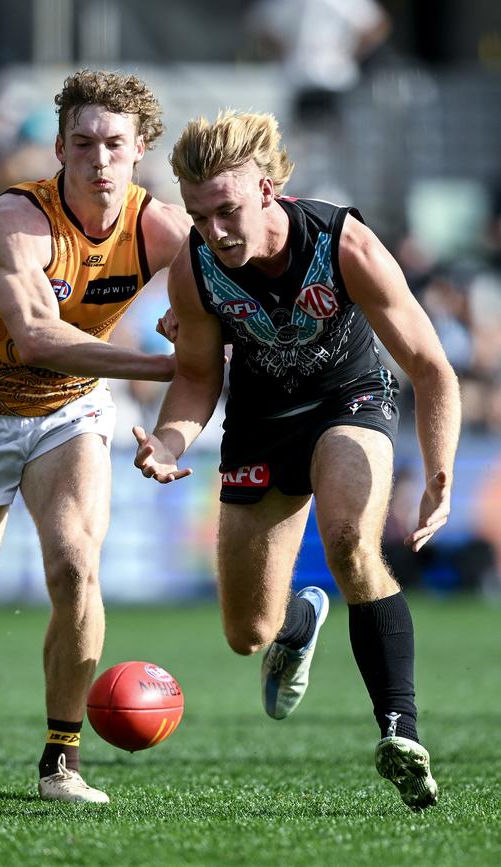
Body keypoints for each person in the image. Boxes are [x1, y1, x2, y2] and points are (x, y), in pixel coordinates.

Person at [133, 110, 461, 809]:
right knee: (245, 633)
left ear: (269, 187)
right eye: (198, 215)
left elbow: (431, 366)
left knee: (348, 541)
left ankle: (399, 729)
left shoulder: (346, 244)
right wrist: (168, 440)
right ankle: (292, 624)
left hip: (349, 402)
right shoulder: (193, 269)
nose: (214, 231)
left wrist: (440, 471)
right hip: (258, 424)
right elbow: (196, 377)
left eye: (226, 211)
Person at [0, 68, 190, 804]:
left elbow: (221, 295)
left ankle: (60, 761)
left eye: (115, 145)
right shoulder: (18, 219)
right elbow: (35, 336)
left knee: (74, 562)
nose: (99, 160)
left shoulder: (160, 227)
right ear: (60, 148)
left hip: (71, 411)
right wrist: (162, 362)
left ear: (140, 150)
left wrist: (194, 323)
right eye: (84, 143)